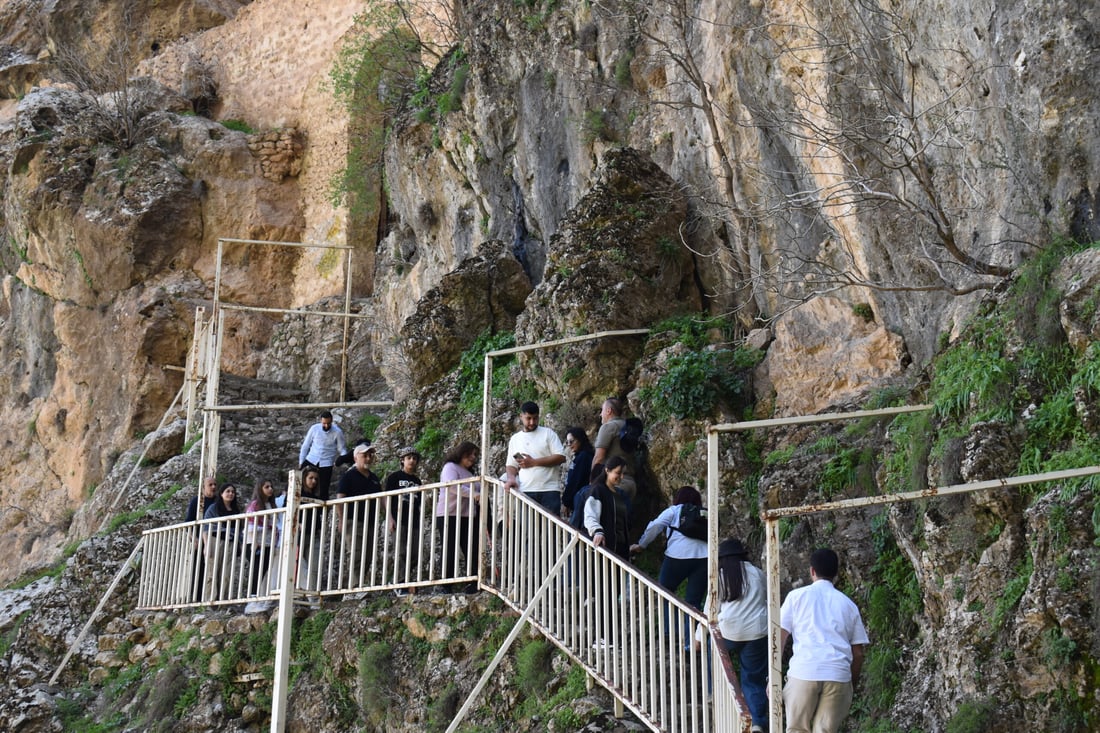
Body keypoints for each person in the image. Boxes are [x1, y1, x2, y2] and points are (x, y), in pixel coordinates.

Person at [780, 548, 869, 733]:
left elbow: (780, 636)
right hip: (838, 674)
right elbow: (858, 653)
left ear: (812, 571)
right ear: (836, 573)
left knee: (796, 729)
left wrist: (771, 676)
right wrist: (850, 681)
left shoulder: (796, 597)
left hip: (803, 672)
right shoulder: (848, 605)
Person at [713, 538, 769, 733]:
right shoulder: (757, 573)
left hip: (729, 630)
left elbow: (710, 608)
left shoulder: (720, 575)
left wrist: (698, 637)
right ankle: (758, 723)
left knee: (717, 664)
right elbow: (767, 598)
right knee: (753, 678)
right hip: (757, 631)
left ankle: (716, 697)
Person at [629, 485, 708, 611]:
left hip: (677, 556)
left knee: (665, 593)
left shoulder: (674, 510)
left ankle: (667, 629)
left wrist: (641, 544)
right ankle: (692, 630)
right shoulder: (704, 514)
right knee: (694, 601)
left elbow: (655, 526)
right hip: (704, 557)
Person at [504, 401, 566, 514]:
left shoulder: (548, 433)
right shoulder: (515, 439)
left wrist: (533, 462)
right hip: (525, 490)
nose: (532, 422)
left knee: (550, 530)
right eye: (528, 418)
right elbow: (511, 465)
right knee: (528, 531)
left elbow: (561, 457)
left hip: (549, 490)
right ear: (521, 417)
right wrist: (511, 478)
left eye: (535, 418)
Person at [335, 443, 382, 589]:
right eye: (365, 456)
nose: (368, 459)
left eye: (370, 455)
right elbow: (340, 498)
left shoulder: (374, 478)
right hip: (354, 520)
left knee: (368, 554)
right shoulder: (349, 476)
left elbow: (381, 497)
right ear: (356, 458)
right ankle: (354, 585)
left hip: (370, 521)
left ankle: (360, 583)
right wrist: (342, 520)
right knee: (356, 551)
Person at [436, 441, 481, 593]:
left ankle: (473, 581)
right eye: (471, 454)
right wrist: (473, 494)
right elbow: (452, 485)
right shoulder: (450, 467)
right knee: (449, 548)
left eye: (475, 455)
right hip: (449, 514)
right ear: (462, 453)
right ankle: (446, 584)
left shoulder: (471, 474)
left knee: (471, 548)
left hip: (467, 516)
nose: (473, 457)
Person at [386, 446, 424, 596]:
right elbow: (388, 499)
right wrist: (390, 518)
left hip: (414, 520)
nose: (412, 461)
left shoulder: (417, 481)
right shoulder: (394, 477)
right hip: (399, 519)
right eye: (409, 458)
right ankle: (399, 582)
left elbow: (419, 502)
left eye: (414, 458)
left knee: (414, 553)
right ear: (402, 460)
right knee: (401, 551)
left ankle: (404, 580)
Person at [582, 456, 631, 560]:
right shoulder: (597, 490)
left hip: (621, 549)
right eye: (618, 473)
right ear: (607, 470)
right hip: (604, 547)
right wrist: (597, 531)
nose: (621, 477)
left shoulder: (620, 494)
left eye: (623, 473)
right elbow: (590, 515)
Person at [591, 397, 638, 502]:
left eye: (602, 411)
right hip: (630, 482)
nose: (600, 415)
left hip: (614, 483)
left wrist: (593, 482)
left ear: (608, 411)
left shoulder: (609, 427)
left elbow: (599, 457)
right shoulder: (628, 427)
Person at [203, 483, 242, 602]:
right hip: (215, 541)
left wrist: (238, 544)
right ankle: (210, 600)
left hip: (230, 543)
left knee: (227, 573)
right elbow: (206, 527)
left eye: (232, 492)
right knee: (212, 572)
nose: (230, 494)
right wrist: (206, 545)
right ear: (221, 493)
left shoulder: (236, 510)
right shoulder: (213, 508)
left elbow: (239, 530)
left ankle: (223, 600)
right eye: (228, 491)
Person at [297, 410, 347, 499]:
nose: (326, 426)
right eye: (324, 423)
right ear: (321, 421)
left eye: (328, 423)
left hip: (326, 464)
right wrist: (301, 461)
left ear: (331, 421)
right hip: (311, 459)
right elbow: (306, 445)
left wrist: (343, 459)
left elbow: (342, 449)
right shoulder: (314, 428)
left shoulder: (338, 432)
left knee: (323, 490)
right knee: (300, 484)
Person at [184, 476, 218, 602]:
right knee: (199, 570)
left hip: (214, 539)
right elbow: (188, 522)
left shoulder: (218, 501)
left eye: (215, 484)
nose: (213, 487)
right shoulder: (197, 501)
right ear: (204, 487)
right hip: (200, 540)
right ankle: (196, 599)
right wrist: (194, 538)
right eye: (210, 484)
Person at [244, 479, 279, 597]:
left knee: (264, 569)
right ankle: (252, 594)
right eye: (266, 487)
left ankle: (260, 595)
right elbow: (250, 524)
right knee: (257, 568)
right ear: (260, 489)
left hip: (268, 542)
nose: (270, 489)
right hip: (255, 541)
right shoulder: (255, 505)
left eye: (271, 486)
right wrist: (255, 542)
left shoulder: (271, 505)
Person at [561, 427, 594, 519]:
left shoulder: (584, 457)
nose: (569, 445)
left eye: (572, 441)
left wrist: (566, 502)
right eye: (567, 442)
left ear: (580, 439)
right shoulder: (581, 456)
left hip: (582, 500)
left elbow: (575, 481)